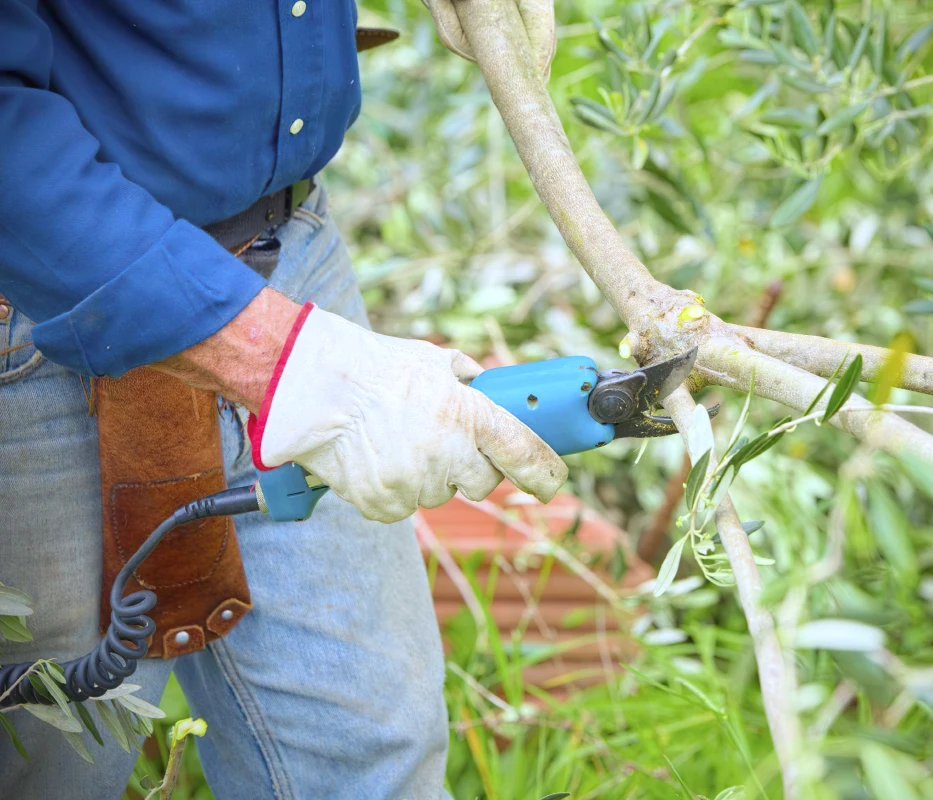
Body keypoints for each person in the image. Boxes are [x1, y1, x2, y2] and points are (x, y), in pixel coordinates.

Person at [0, 1, 563, 797]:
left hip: (288, 243)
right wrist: (291, 366)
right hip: (32, 302)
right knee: (45, 769)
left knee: (374, 760)